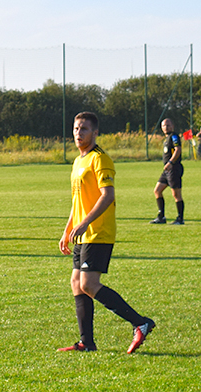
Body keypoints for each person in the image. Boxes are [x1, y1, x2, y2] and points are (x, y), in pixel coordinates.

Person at [58, 112, 154, 354]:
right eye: (76, 128)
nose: (79, 133)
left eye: (84, 129)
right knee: (76, 284)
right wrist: (68, 229)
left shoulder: (100, 159)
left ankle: (140, 322)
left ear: (95, 132)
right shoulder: (78, 161)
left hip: (98, 232)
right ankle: (86, 343)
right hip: (82, 233)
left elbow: (107, 195)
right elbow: (77, 201)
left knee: (89, 284)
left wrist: (85, 222)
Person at [150, 118, 184, 225]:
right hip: (167, 171)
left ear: (172, 126)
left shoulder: (174, 136)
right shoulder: (166, 139)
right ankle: (161, 217)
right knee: (157, 190)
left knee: (176, 194)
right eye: (164, 126)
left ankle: (180, 219)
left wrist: (171, 162)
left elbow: (178, 149)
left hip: (174, 169)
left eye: (168, 125)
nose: (166, 127)